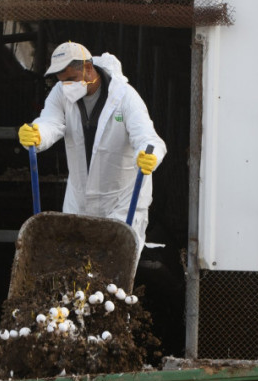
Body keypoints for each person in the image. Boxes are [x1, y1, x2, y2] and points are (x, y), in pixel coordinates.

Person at [18, 41, 167, 255]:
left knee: (115, 268)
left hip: (121, 202)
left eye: (70, 79)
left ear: (88, 69)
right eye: (61, 81)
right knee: (75, 268)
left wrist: (148, 154)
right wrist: (38, 133)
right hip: (80, 200)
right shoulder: (61, 93)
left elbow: (148, 138)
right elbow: (50, 122)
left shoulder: (124, 97)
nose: (66, 86)